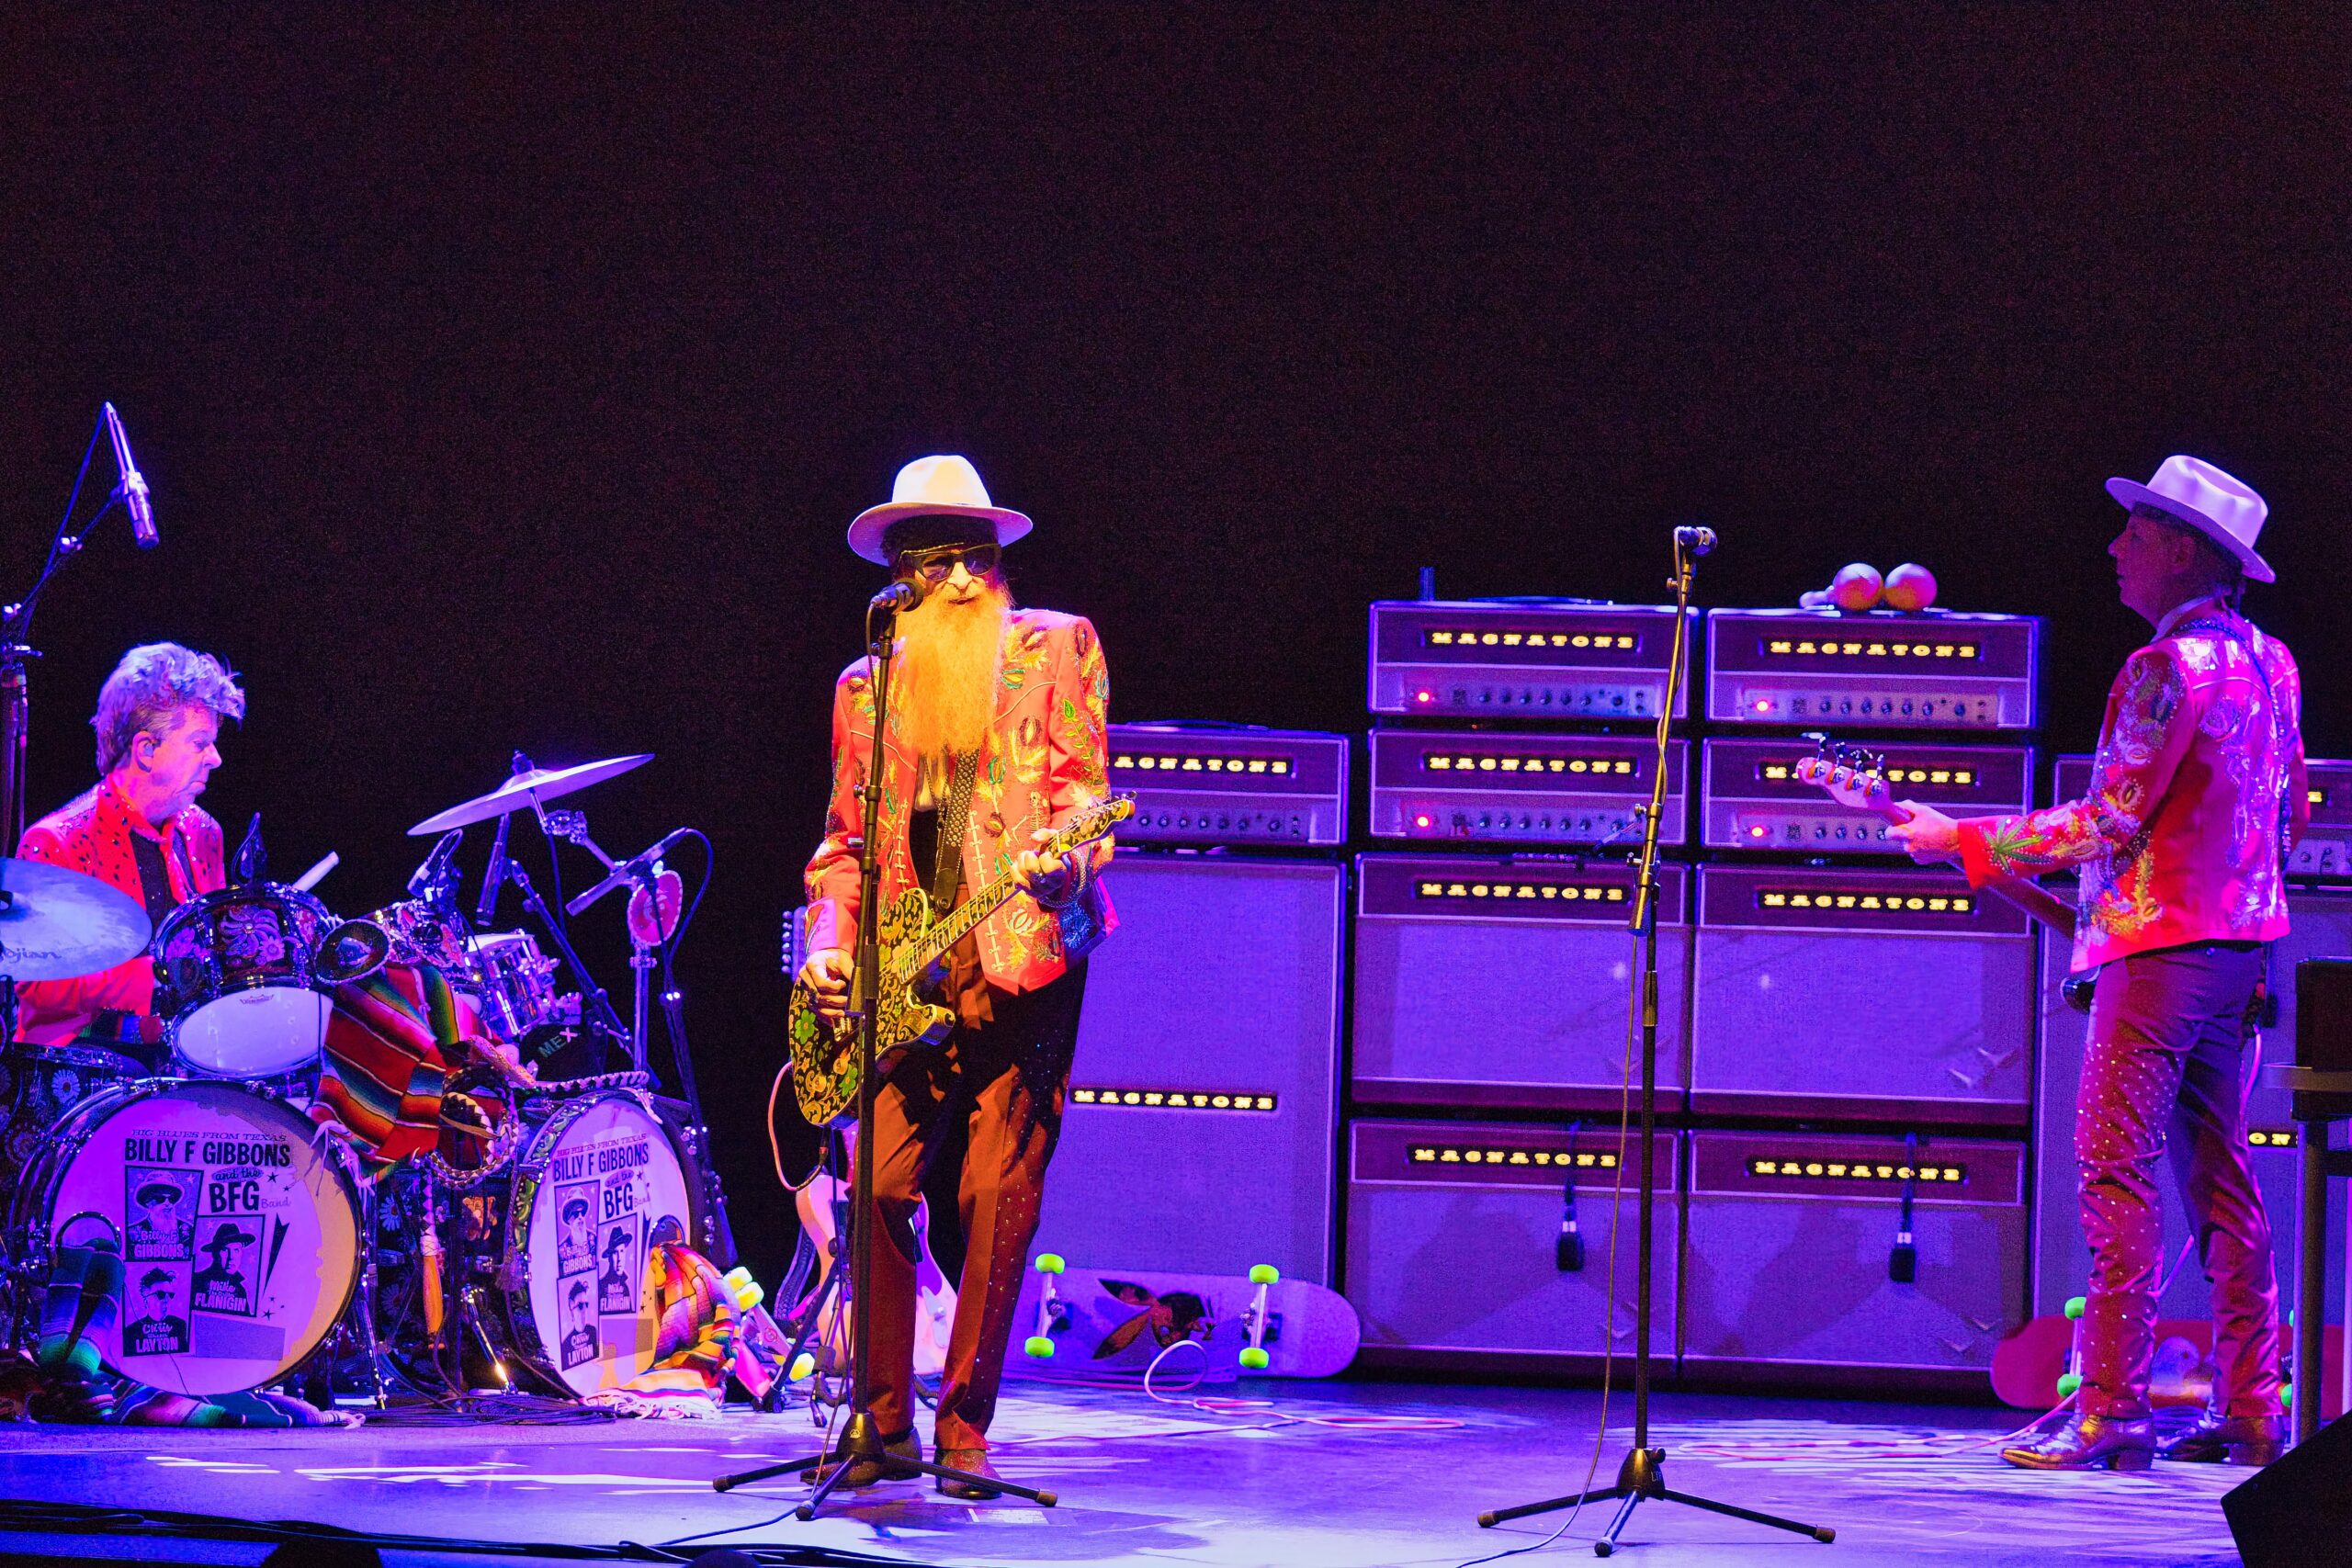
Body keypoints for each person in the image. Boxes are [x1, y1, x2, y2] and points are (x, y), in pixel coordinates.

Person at [1893, 456, 2303, 1470]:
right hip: (2239, 952)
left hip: (2159, 961)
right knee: (2222, 1178)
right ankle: (2253, 1405)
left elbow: (2106, 818)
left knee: (2115, 1173)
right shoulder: (2271, 662)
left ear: (2182, 551)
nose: (2116, 549)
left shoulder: (2164, 668)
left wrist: (1962, 836)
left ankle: (2111, 1409)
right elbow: (2289, 810)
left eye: (2136, 533)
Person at [797, 455, 1114, 1495]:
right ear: (902, 577)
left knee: (993, 1192)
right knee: (877, 1187)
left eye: (979, 556)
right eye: (941, 561)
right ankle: (878, 1423)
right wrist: (829, 938)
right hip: (905, 973)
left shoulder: (1054, 647)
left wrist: (1067, 861)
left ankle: (965, 1426)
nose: (967, 577)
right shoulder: (865, 687)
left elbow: (1083, 796)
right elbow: (843, 843)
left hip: (1020, 954)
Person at [13, 644, 242, 1053]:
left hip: (180, 1061)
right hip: (83, 1068)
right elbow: (36, 982)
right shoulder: (56, 842)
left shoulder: (204, 831)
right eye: (199, 742)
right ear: (146, 750)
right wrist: (155, 978)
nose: (215, 758)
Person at [192, 1223, 256, 1313]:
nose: (231, 1257)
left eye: (236, 1250)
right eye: (225, 1250)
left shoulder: (240, 1291)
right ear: (215, 1253)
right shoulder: (196, 1281)